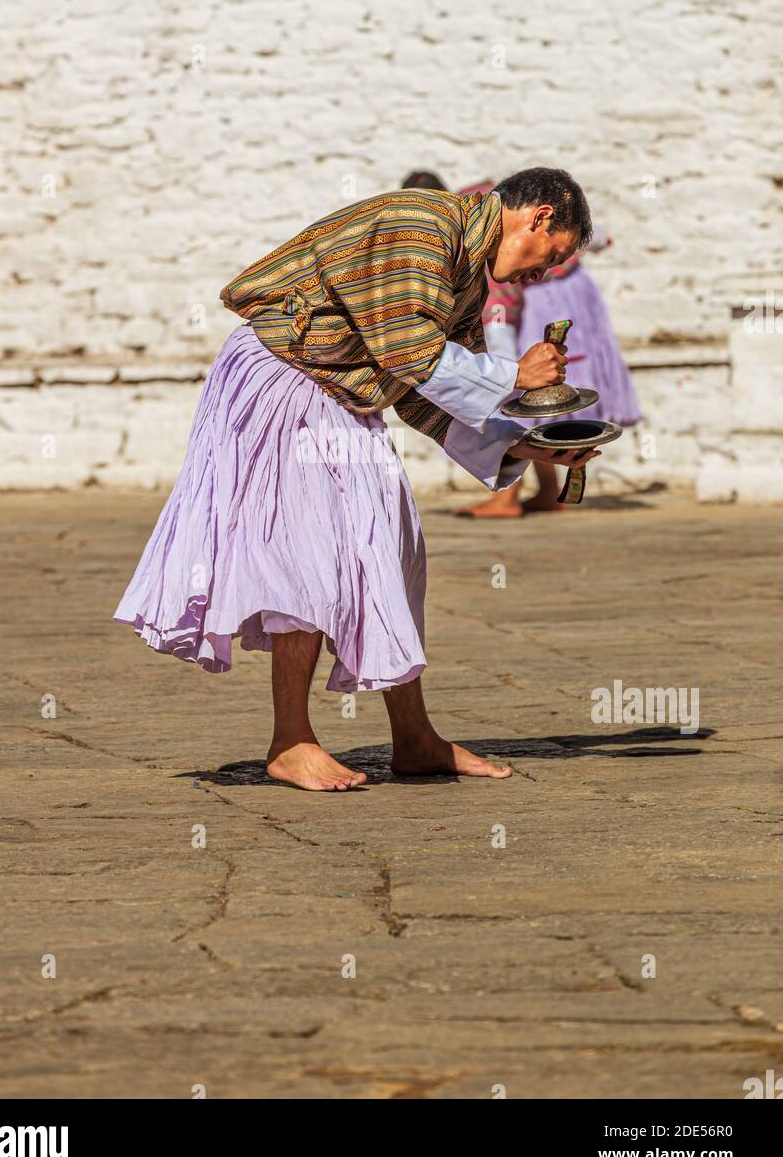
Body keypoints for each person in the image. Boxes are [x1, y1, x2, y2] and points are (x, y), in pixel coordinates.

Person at [114, 168, 598, 791]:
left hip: (341, 397)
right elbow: (410, 353)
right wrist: (514, 375)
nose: (545, 274)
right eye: (553, 255)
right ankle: (290, 741)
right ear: (539, 216)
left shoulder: (461, 277)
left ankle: (414, 737)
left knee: (390, 549)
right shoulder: (422, 223)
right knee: (310, 556)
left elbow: (428, 397)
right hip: (288, 380)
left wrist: (533, 447)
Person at [456, 182, 642, 517]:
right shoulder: (493, 212)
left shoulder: (492, 243)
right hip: (572, 299)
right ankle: (547, 490)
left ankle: (510, 497)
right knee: (543, 396)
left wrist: (504, 372)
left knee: (528, 396)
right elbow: (594, 236)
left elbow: (499, 320)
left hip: (537, 308)